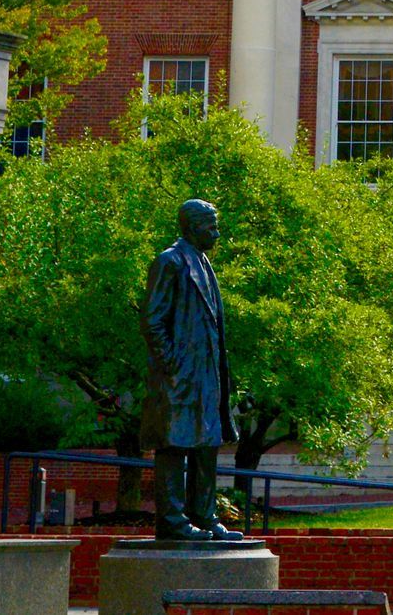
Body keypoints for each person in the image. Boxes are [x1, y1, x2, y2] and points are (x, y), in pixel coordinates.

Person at [141, 198, 242, 542]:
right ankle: (173, 521)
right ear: (193, 227)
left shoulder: (202, 262)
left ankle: (204, 516)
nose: (216, 234)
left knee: (206, 445)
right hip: (180, 375)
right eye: (211, 227)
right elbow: (153, 320)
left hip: (207, 373)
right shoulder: (170, 261)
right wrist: (172, 365)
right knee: (174, 446)